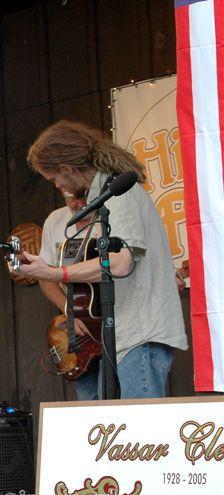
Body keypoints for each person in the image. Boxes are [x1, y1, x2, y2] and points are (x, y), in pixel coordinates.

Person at [16, 120, 187, 399]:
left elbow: (120, 263)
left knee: (140, 423)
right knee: (113, 424)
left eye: (54, 179)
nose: (57, 185)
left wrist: (55, 273)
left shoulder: (121, 195)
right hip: (120, 335)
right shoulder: (106, 195)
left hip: (139, 334)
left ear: (67, 169)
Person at [38, 192, 99, 400]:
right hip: (78, 333)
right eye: (70, 197)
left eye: (84, 197)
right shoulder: (55, 221)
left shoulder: (113, 216)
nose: (77, 204)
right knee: (88, 406)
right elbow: (46, 278)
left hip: (117, 327)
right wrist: (70, 311)